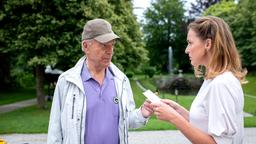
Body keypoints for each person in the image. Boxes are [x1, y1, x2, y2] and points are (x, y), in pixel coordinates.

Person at [47, 18, 153, 144]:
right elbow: (55, 130)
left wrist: (142, 113)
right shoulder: (66, 81)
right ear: (86, 46)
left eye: (112, 45)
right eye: (104, 45)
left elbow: (126, 120)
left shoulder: (121, 80)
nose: (110, 51)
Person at [152, 16, 247, 144]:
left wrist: (174, 118)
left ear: (208, 44)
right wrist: (179, 111)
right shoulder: (211, 80)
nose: (186, 50)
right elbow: (206, 124)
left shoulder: (221, 84)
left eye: (190, 43)